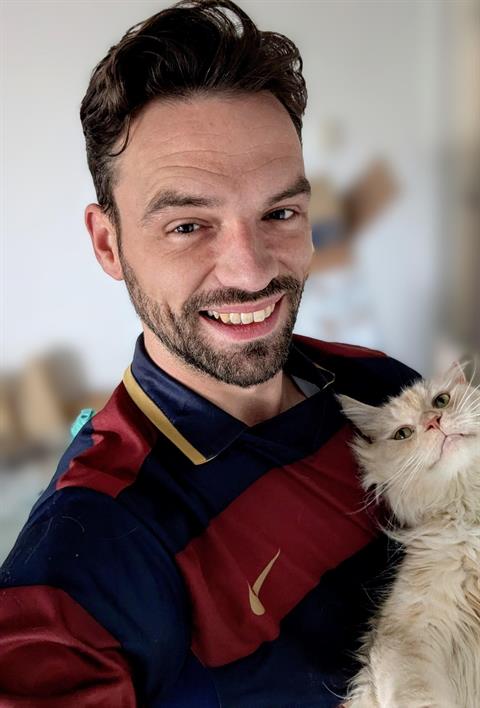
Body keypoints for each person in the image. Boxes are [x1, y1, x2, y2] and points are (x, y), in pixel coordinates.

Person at [0, 1, 419, 706]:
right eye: (189, 225)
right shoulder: (96, 541)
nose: (251, 272)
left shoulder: (380, 384)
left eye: (279, 213)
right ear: (108, 243)